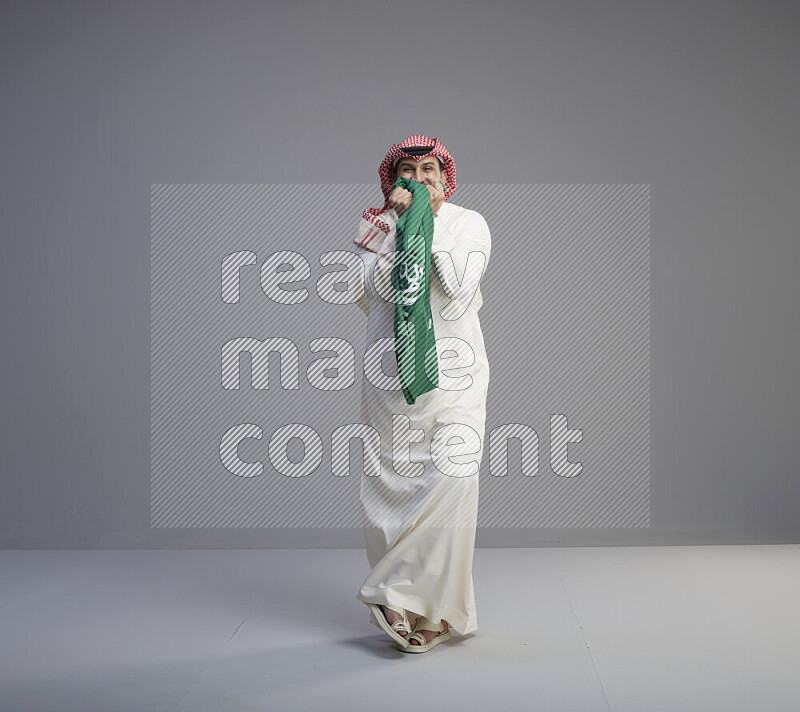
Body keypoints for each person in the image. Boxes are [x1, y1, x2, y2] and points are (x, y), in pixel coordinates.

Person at [350, 135, 491, 652]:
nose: (420, 177)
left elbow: (457, 283)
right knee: (393, 489)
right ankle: (419, 608)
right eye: (408, 170)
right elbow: (365, 293)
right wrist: (393, 230)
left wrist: (423, 225)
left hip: (456, 378)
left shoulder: (470, 223)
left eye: (429, 169)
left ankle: (396, 592)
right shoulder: (374, 226)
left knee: (454, 482)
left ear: (444, 177)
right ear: (393, 181)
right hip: (389, 376)